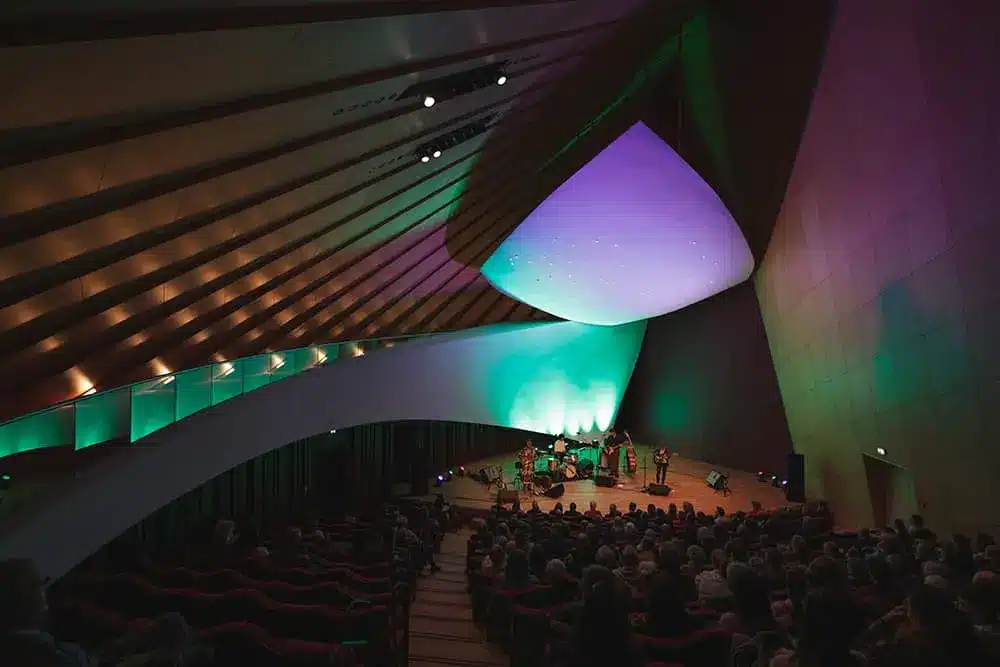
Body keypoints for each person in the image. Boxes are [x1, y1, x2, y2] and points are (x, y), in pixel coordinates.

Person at [0, 558, 206, 667]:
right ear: (26, 599)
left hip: (103, 653)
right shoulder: (40, 653)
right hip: (106, 657)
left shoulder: (24, 643)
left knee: (173, 626)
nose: (44, 593)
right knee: (175, 631)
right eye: (38, 586)